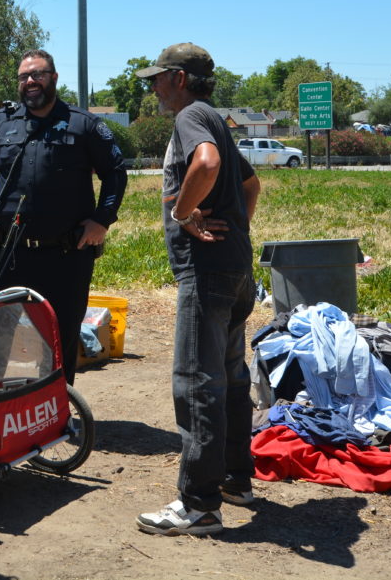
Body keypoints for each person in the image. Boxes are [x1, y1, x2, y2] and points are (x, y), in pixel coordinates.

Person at [133, 42, 261, 536]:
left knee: (196, 382)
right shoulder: (216, 118)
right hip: (234, 271)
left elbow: (205, 165)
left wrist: (183, 213)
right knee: (228, 378)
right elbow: (251, 186)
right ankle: (234, 480)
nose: (153, 88)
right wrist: (237, 230)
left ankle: (200, 505)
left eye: (157, 78)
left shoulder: (191, 119)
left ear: (180, 79)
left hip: (206, 276)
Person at [0, 50, 127, 384]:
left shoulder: (84, 124)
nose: (30, 82)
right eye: (24, 76)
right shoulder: (0, 122)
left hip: (64, 257)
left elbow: (115, 171)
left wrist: (103, 219)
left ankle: (55, 411)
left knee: (58, 338)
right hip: (6, 253)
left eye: (37, 74)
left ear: (53, 78)